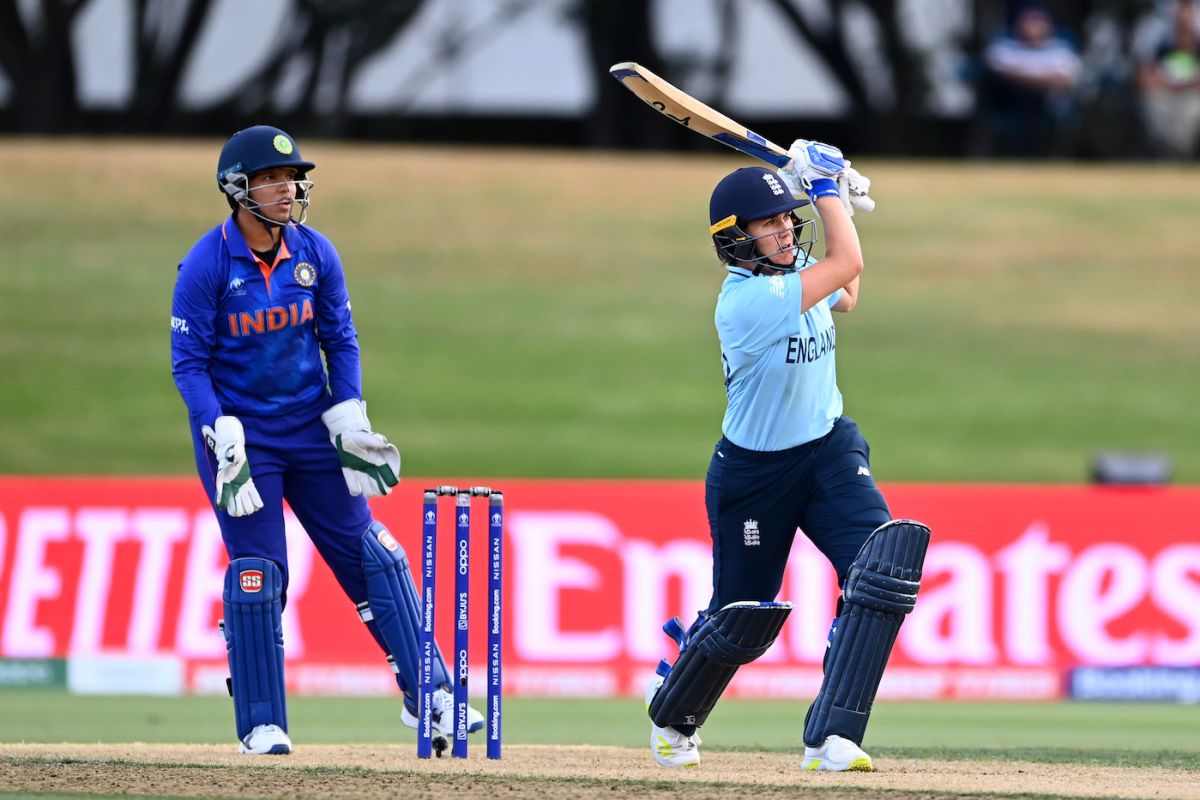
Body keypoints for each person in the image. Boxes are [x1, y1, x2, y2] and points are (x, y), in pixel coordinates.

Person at [170, 125, 482, 755]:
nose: (288, 188)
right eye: (272, 179)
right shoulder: (206, 265)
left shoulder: (316, 254)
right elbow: (189, 364)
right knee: (258, 575)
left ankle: (431, 696)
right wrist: (217, 426)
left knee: (377, 555)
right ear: (237, 188)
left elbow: (340, 339)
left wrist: (350, 414)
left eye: (292, 178)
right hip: (243, 442)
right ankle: (261, 721)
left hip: (312, 432)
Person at [643, 143, 930, 771]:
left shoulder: (795, 276)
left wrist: (837, 202)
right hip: (754, 474)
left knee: (882, 570)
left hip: (828, 449)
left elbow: (847, 289)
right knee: (742, 618)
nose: (783, 231)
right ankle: (672, 713)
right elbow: (847, 260)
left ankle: (833, 736)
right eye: (769, 223)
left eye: (786, 219)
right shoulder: (747, 303)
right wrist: (827, 191)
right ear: (733, 239)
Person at [980, 4, 1082, 157]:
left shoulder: (1060, 49)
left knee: (1044, 101)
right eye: (1029, 22)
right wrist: (1039, 80)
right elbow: (997, 69)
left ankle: (1046, 153)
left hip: (1048, 102)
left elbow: (1065, 78)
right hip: (1011, 100)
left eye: (1038, 23)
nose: (1033, 28)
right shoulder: (1005, 46)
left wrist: (1027, 78)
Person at [1135, 0, 1200, 158]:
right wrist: (1170, 86)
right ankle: (1165, 153)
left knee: (1193, 106)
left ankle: (1186, 154)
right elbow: (1144, 76)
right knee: (1154, 102)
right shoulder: (1160, 39)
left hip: (1191, 95)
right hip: (1165, 93)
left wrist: (1184, 86)